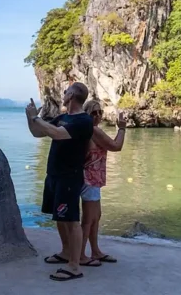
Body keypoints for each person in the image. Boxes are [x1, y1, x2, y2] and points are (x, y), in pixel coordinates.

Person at [25, 82, 93, 282]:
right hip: (53, 174)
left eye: (65, 91)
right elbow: (38, 133)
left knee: (71, 220)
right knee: (60, 217)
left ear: (72, 95)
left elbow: (57, 134)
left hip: (69, 176)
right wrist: (30, 118)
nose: (63, 94)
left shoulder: (84, 121)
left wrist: (37, 118)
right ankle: (65, 252)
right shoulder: (62, 117)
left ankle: (74, 266)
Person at [79, 100, 126, 266]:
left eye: (100, 112)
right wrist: (121, 128)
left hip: (93, 178)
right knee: (89, 218)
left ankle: (95, 251)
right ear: (86, 115)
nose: (98, 115)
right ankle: (80, 255)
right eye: (93, 113)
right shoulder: (93, 131)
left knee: (96, 216)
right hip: (89, 179)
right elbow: (116, 146)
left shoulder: (87, 130)